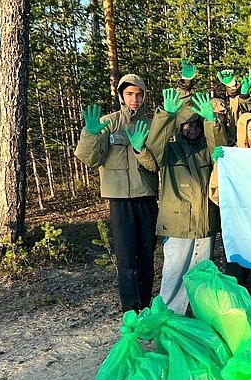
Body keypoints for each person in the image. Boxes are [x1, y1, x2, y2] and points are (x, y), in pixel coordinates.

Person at [75, 74, 158, 313]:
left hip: (146, 197)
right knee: (126, 258)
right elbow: (91, 158)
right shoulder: (108, 123)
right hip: (119, 200)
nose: (135, 99)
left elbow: (155, 165)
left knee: (146, 257)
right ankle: (130, 310)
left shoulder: (151, 125)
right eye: (130, 94)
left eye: (139, 94)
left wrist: (140, 148)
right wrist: (90, 134)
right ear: (121, 95)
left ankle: (146, 305)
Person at [145, 89, 227, 315]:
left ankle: (197, 318)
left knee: (201, 275)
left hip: (204, 223)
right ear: (180, 128)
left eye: (196, 125)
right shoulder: (170, 150)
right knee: (174, 275)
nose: (192, 129)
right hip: (178, 225)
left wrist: (212, 121)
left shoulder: (206, 150)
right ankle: (167, 320)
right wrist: (165, 117)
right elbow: (153, 151)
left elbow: (220, 148)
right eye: (187, 125)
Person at [209, 112, 251, 310]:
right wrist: (218, 165)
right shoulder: (231, 157)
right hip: (239, 226)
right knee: (238, 272)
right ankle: (238, 313)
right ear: (242, 131)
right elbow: (216, 192)